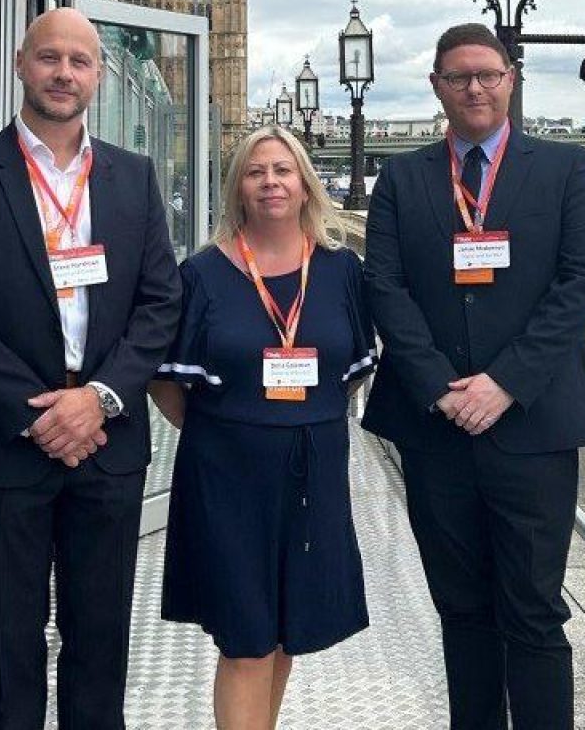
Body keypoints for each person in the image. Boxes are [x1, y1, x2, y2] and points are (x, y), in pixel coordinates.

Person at [0, 7, 182, 730]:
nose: (64, 73)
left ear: (97, 75)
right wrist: (44, 416)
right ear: (20, 64)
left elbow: (161, 302)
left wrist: (98, 398)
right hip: (4, 447)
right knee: (10, 642)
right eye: (49, 58)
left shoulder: (133, 178)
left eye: (79, 61)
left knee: (100, 643)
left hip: (106, 442)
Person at [362, 22, 585, 730]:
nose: (475, 87)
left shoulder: (567, 171)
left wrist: (503, 384)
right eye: (459, 76)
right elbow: (385, 289)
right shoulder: (403, 180)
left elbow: (581, 285)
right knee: (462, 609)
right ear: (438, 86)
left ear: (511, 79)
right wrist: (443, 386)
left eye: (489, 74)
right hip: (436, 431)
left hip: (533, 429)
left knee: (533, 610)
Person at [150, 126, 375, 730]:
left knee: (284, 635)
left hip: (314, 471)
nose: (270, 182)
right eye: (256, 172)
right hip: (228, 475)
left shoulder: (339, 271)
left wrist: (292, 419)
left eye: (282, 170)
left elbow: (347, 371)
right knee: (245, 641)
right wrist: (239, 428)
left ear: (304, 184)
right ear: (238, 190)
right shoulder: (201, 275)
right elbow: (168, 383)